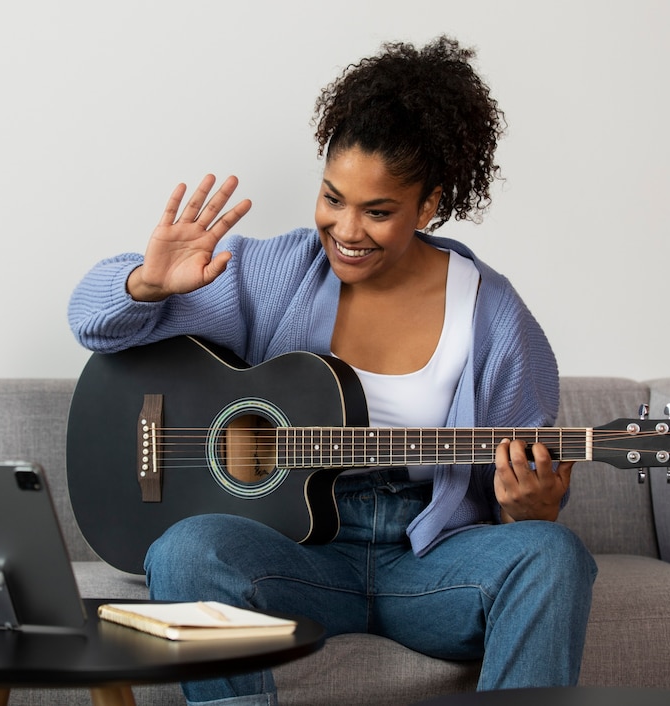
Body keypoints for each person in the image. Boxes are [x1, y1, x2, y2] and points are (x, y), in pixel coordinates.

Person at [68, 37, 597, 706]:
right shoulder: (276, 274)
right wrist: (149, 283)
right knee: (185, 551)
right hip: (295, 554)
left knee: (554, 556)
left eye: (377, 212)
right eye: (332, 198)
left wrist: (534, 510)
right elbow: (89, 320)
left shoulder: (491, 314)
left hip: (427, 562)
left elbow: (521, 485)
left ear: (427, 206)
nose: (346, 230)